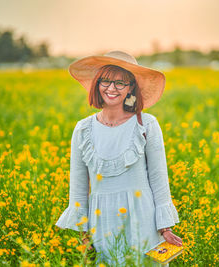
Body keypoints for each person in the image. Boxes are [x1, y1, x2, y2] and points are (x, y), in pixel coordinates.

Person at [55, 50, 182, 266]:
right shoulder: (83, 129)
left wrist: (165, 228)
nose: (111, 88)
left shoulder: (147, 125)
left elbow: (159, 180)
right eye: (106, 81)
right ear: (97, 84)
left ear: (131, 87)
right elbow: (77, 188)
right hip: (101, 223)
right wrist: (83, 234)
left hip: (144, 221)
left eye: (120, 83)